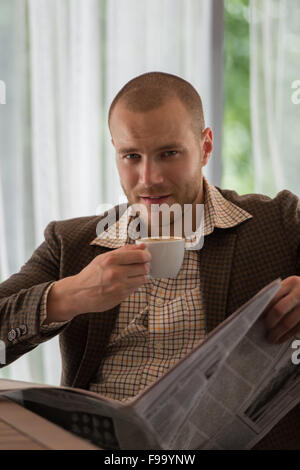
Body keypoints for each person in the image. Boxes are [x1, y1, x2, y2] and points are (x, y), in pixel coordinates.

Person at [1, 72, 300, 450]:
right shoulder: (71, 244)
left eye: (169, 154)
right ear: (115, 151)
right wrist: (68, 295)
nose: (149, 179)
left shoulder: (279, 223)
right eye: (132, 156)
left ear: (205, 147)